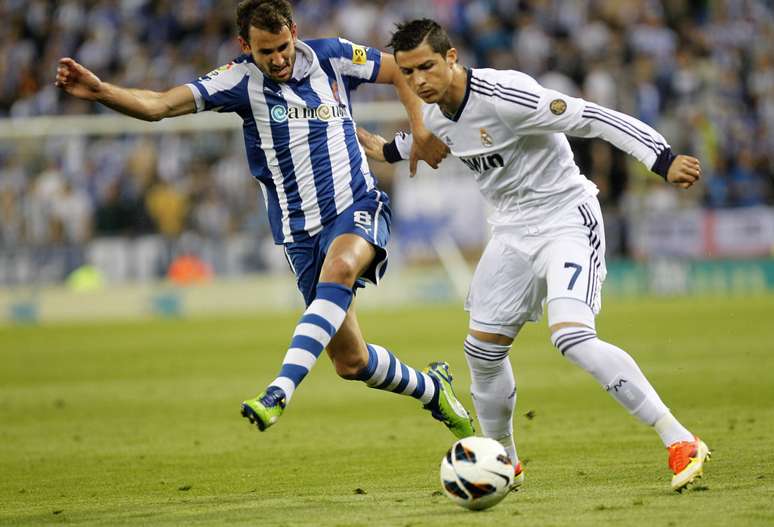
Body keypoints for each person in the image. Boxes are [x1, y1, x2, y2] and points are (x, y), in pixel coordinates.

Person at [55, 1, 475, 439]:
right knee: (351, 362)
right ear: (245, 46)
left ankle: (279, 390)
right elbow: (159, 104)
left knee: (341, 268)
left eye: (282, 47)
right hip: (299, 235)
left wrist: (419, 129)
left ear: (294, 31)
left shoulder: (333, 56)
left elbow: (398, 71)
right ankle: (433, 390)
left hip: (357, 204)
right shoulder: (238, 80)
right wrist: (101, 91)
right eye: (265, 52)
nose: (277, 59)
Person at [359, 18, 709, 492]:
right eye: (408, 72)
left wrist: (661, 159)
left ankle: (680, 439)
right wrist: (379, 148)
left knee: (572, 336)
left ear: (452, 57)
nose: (418, 80)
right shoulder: (437, 115)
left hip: (566, 218)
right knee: (482, 352)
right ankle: (504, 460)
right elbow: (419, 144)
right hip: (511, 232)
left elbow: (594, 117)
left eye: (427, 67)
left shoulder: (506, 95)